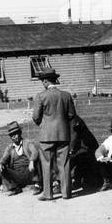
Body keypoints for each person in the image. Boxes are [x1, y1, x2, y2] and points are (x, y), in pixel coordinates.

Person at [32, 68, 76, 201]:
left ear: (45, 81)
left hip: (46, 136)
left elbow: (35, 117)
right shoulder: (66, 95)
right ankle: (66, 193)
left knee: (46, 164)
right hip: (63, 134)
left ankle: (48, 193)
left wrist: (43, 124)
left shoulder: (41, 96)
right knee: (64, 163)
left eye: (42, 81)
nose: (42, 84)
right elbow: (71, 115)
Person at [0, 120, 41, 195]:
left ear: (20, 133)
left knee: (36, 159)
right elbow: (4, 158)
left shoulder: (27, 143)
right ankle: (14, 187)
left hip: (29, 172)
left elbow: (35, 151)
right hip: (17, 175)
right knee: (1, 168)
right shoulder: (9, 148)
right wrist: (1, 163)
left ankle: (37, 185)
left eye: (15, 134)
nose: (14, 136)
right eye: (11, 135)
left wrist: (31, 161)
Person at [68, 113, 101, 194]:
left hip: (86, 148)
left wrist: (70, 151)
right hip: (79, 149)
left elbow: (74, 136)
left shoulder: (73, 118)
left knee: (80, 160)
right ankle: (74, 181)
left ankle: (80, 182)